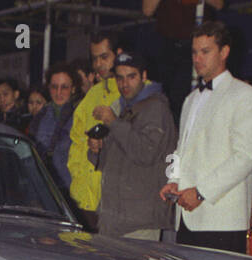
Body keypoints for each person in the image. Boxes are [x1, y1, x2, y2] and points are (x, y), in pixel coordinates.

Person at [159, 21, 252, 253]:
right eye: (195, 52)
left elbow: (245, 157)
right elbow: (180, 149)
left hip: (221, 220)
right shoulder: (190, 100)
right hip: (186, 217)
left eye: (205, 52)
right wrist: (172, 180)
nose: (198, 59)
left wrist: (200, 192)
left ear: (224, 52)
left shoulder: (246, 96)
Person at [89, 51, 176, 239]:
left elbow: (145, 153)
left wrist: (114, 123)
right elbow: (106, 163)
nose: (124, 84)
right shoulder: (122, 107)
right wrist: (97, 148)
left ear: (144, 76)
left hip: (139, 222)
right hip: (114, 220)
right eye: (119, 78)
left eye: (131, 77)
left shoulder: (156, 108)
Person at [141, 0, 225, 117]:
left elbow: (218, 2)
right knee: (164, 100)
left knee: (188, 99)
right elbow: (147, 9)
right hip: (166, 48)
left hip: (194, 50)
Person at [68, 31, 123, 230]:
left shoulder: (135, 95)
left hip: (115, 203)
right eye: (95, 58)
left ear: (118, 54)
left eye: (104, 57)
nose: (99, 64)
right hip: (83, 200)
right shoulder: (91, 96)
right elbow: (76, 142)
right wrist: (77, 179)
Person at [27, 63, 78, 195]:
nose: (58, 93)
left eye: (64, 87)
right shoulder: (40, 116)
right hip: (42, 189)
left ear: (73, 89)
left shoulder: (80, 115)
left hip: (70, 190)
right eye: (54, 87)